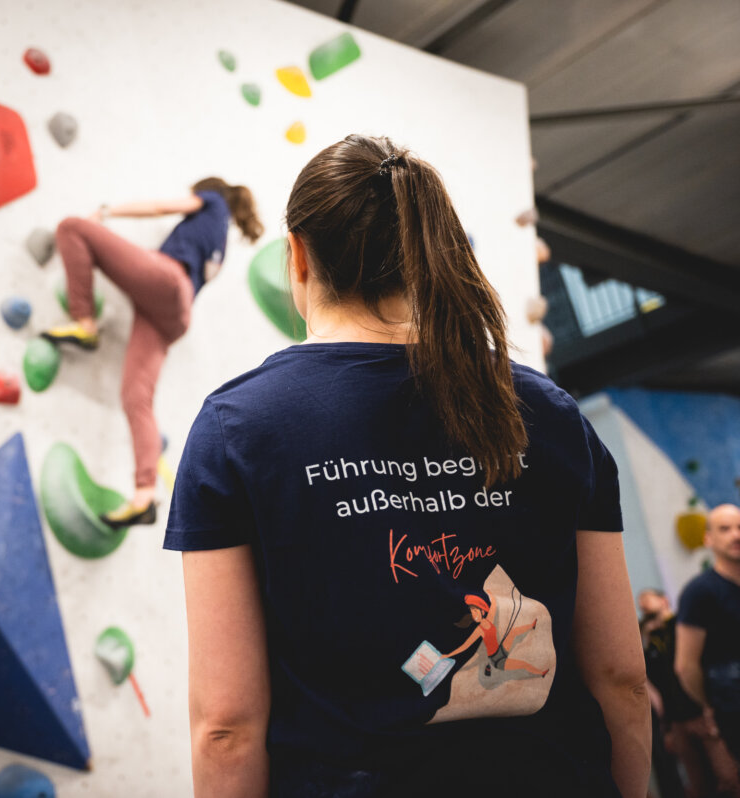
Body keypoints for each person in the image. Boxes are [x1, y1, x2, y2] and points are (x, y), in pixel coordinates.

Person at [163, 135, 649, 797]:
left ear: (297, 258)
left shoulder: (237, 429)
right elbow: (621, 678)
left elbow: (227, 726)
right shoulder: (552, 414)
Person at [41, 178, 262, 528]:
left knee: (72, 228)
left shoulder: (212, 203)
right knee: (136, 398)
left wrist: (106, 211)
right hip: (173, 314)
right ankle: (144, 495)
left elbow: (160, 207)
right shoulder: (220, 241)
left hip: (167, 281)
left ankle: (84, 322)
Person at [642, 587, 740, 798]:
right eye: (641, 605)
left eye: (647, 601)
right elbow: (656, 683)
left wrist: (710, 708)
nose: (643, 607)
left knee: (728, 777)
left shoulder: (684, 626)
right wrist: (667, 727)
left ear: (664, 601)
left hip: (701, 712)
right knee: (699, 784)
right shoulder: (651, 641)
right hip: (677, 721)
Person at [677, 504, 740, 767]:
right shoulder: (700, 592)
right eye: (724, 529)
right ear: (708, 539)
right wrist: (710, 704)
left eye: (739, 527)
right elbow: (685, 665)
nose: (735, 535)